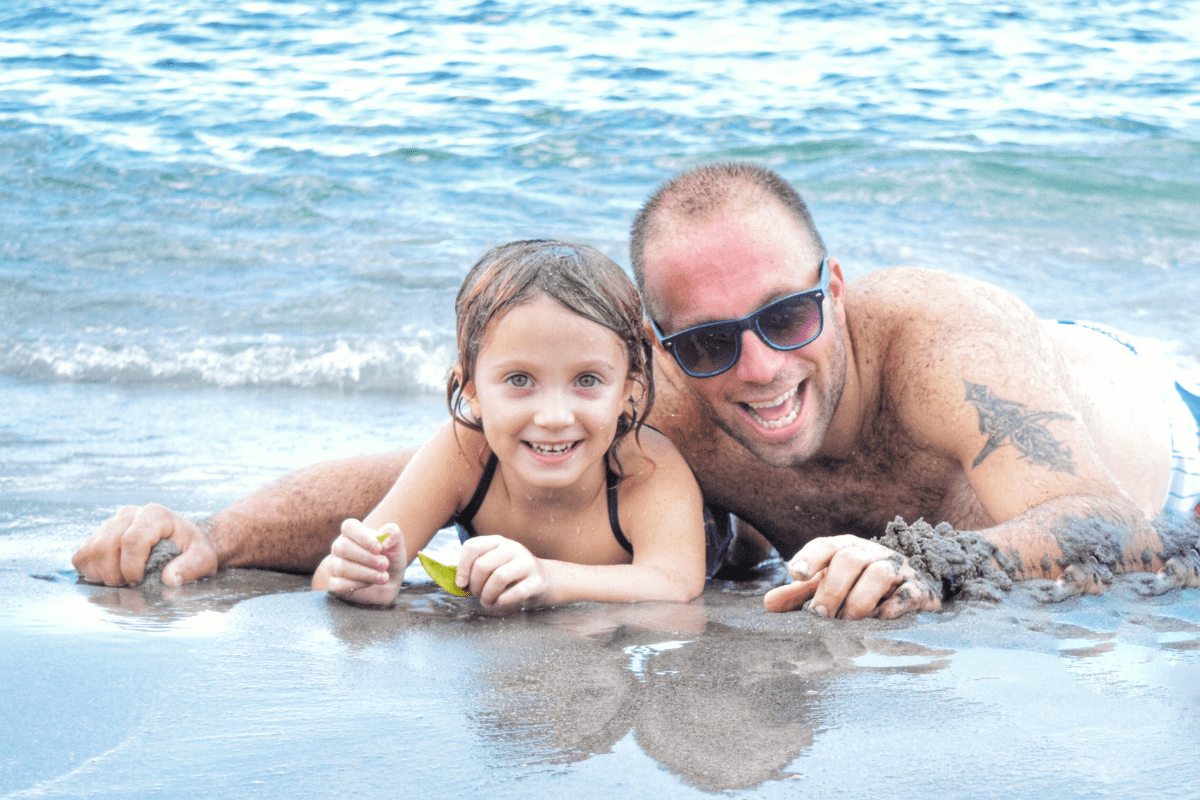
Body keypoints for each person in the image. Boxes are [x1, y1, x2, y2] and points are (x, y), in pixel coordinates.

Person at [74, 163, 1200, 618]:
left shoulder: (945, 343)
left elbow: (1112, 524)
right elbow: (450, 471)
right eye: (708, 341)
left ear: (837, 289)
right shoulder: (660, 402)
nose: (755, 367)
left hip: (1163, 422)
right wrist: (211, 533)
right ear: (660, 345)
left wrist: (927, 558)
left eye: (786, 316)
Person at [313, 240, 707, 607]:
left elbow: (675, 581)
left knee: (745, 550)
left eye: (587, 380)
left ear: (628, 388)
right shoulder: (464, 451)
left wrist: (549, 577)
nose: (554, 418)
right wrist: (363, 576)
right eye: (520, 380)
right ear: (471, 389)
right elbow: (330, 576)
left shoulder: (645, 465)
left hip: (714, 530)